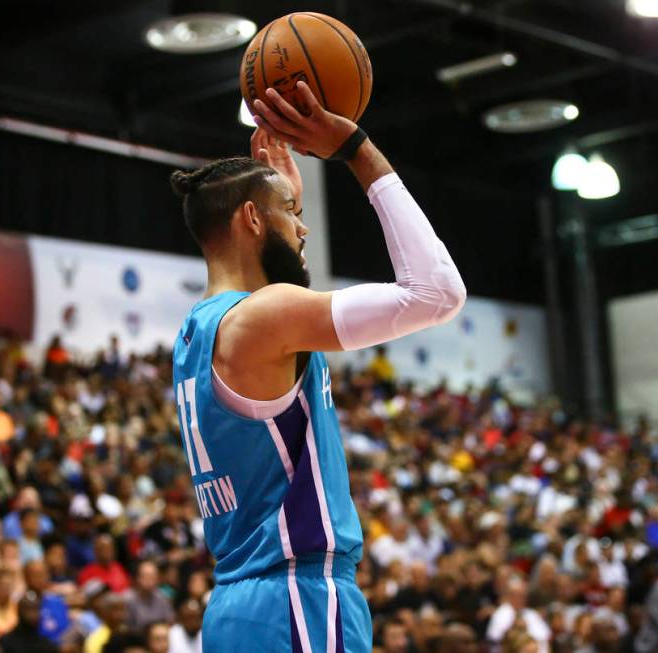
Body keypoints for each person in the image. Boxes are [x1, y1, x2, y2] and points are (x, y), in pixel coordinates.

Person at [171, 82, 465, 651]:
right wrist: (357, 147)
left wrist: (283, 206)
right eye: (291, 213)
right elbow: (437, 294)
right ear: (252, 219)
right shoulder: (265, 319)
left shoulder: (198, 332)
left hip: (239, 608)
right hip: (296, 602)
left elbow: (285, 301)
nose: (302, 227)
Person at [487, 576, 551, 653]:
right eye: (517, 595)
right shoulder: (501, 613)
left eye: (523, 596)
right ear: (509, 596)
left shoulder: (531, 614)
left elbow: (546, 635)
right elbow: (494, 637)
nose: (521, 599)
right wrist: (514, 627)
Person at [125, 561, 174, 630]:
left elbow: (170, 622)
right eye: (145, 576)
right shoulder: (128, 599)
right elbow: (127, 626)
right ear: (138, 578)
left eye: (152, 577)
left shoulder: (162, 598)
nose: (149, 581)